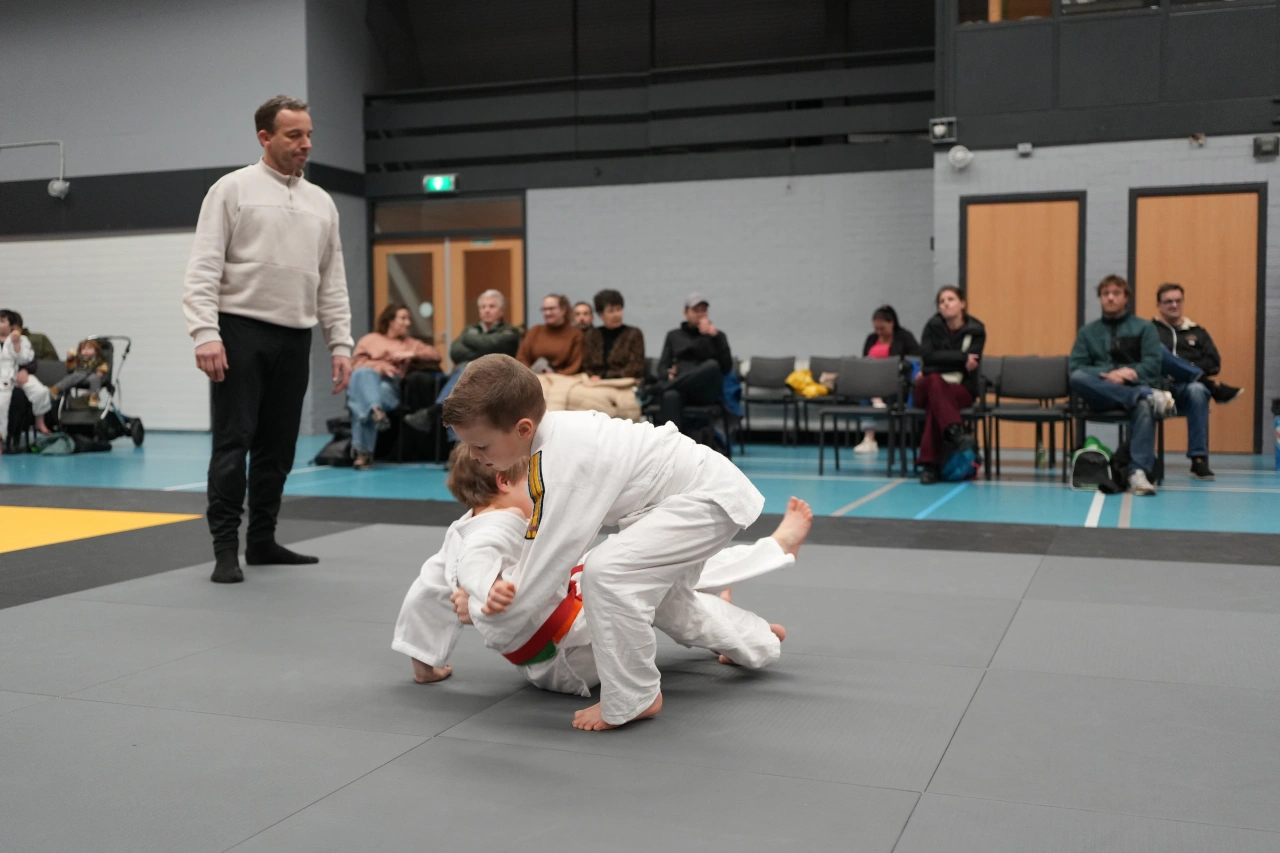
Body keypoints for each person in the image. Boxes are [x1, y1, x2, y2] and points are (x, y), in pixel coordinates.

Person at [443, 354, 773, 731]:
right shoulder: (550, 443)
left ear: (522, 428)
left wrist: (482, 609)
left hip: (704, 498)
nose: (474, 456)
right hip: (689, 497)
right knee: (665, 600)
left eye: (481, 446)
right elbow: (540, 550)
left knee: (606, 574)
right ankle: (758, 642)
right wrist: (488, 591)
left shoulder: (563, 464)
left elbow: (547, 565)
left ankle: (635, 695)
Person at [393, 443, 811, 695]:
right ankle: (752, 633)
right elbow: (478, 564)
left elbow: (426, 591)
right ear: (503, 481)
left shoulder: (466, 528)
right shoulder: (492, 529)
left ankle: (757, 579)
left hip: (570, 626)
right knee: (651, 582)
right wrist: (485, 589)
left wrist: (424, 661)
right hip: (569, 660)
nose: (539, 491)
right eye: (531, 482)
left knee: (644, 561)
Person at [182, 95, 354, 584]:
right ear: (265, 137)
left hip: (295, 336)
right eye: (294, 135)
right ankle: (224, 550)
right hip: (240, 331)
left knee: (278, 447)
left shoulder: (322, 203)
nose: (306, 144)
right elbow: (203, 267)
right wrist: (205, 333)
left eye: (309, 134)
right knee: (233, 441)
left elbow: (332, 280)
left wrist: (340, 344)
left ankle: (261, 541)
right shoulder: (232, 189)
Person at [1069, 275, 1175, 496]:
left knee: (1144, 406)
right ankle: (1143, 394)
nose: (1110, 298)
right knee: (1078, 377)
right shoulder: (1087, 332)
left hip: (1132, 388)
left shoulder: (1144, 328)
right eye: (1105, 294)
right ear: (1100, 298)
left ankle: (1138, 473)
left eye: (1116, 293)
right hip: (1101, 395)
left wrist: (1130, 374)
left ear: (1126, 297)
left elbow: (1152, 364)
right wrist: (1108, 373)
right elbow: (1076, 366)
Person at [1151, 283, 1242, 481]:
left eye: (1178, 301)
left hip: (1185, 391)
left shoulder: (1198, 332)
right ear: (1159, 305)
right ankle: (1212, 386)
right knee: (1157, 351)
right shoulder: (1149, 331)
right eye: (1168, 301)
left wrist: (1184, 368)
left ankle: (1199, 460)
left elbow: (1214, 364)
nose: (1174, 305)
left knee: (1198, 390)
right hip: (1157, 387)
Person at [404, 289, 522, 435]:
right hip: (470, 378)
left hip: (496, 378)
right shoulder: (471, 329)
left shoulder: (510, 331)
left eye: (492, 306)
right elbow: (455, 352)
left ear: (501, 311)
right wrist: (482, 349)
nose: (486, 310)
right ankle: (455, 443)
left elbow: (492, 347)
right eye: (483, 307)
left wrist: (470, 341)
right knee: (464, 385)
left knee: (466, 371)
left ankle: (435, 411)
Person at [347, 304, 441, 470]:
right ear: (390, 320)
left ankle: (363, 452)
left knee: (364, 397)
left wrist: (410, 354)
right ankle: (375, 409)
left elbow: (436, 355)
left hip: (391, 388)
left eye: (408, 319)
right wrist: (380, 367)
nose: (408, 323)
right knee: (363, 375)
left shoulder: (410, 343)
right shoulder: (369, 340)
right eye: (403, 318)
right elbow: (355, 364)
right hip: (368, 380)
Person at [915, 287, 986, 484]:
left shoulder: (976, 330)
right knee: (935, 381)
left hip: (961, 388)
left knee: (936, 403)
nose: (945, 303)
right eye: (941, 301)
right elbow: (927, 358)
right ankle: (955, 432)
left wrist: (936, 363)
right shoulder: (932, 326)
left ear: (962, 303)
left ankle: (930, 466)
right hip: (926, 386)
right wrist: (961, 358)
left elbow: (971, 365)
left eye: (951, 299)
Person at [651, 292, 733, 430]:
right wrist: (668, 374)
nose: (700, 314)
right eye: (696, 310)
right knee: (670, 395)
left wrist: (716, 337)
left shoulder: (717, 336)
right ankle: (674, 442)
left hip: (706, 389)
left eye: (704, 310)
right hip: (682, 387)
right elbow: (662, 367)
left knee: (712, 365)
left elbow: (726, 367)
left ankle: (659, 388)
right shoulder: (674, 336)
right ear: (686, 313)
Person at [567, 288, 645, 419]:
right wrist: (592, 376)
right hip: (595, 383)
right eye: (610, 311)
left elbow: (635, 367)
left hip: (622, 383)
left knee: (620, 402)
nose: (616, 315)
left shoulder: (634, 333)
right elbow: (586, 364)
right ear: (600, 315)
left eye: (618, 309)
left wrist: (604, 376)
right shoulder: (592, 335)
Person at [855, 305, 921, 454]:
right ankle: (869, 438)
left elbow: (915, 360)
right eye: (876, 329)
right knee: (864, 390)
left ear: (892, 323)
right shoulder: (871, 338)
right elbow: (864, 360)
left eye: (882, 328)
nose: (879, 332)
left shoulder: (904, 337)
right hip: (872, 381)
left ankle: (876, 399)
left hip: (897, 382)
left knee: (869, 388)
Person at [0, 310, 53, 451]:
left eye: (2, 321)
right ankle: (3, 439)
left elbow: (26, 359)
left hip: (17, 374)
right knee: (2, 405)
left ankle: (39, 421)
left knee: (41, 392)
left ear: (12, 326)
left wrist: (16, 344)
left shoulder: (22, 340)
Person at [515, 294, 583, 376]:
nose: (547, 313)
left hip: (563, 378)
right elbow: (522, 357)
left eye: (551, 309)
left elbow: (575, 365)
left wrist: (554, 375)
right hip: (534, 377)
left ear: (563, 310)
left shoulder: (576, 334)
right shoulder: (535, 331)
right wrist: (531, 374)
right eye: (544, 309)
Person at [49, 339, 110, 406]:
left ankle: (94, 396)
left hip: (91, 376)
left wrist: (101, 371)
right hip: (79, 377)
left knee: (95, 378)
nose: (86, 351)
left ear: (96, 351)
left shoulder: (98, 359)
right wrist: (70, 359)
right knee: (72, 376)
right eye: (83, 349)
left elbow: (104, 366)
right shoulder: (79, 359)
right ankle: (57, 389)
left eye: (89, 348)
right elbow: (70, 368)